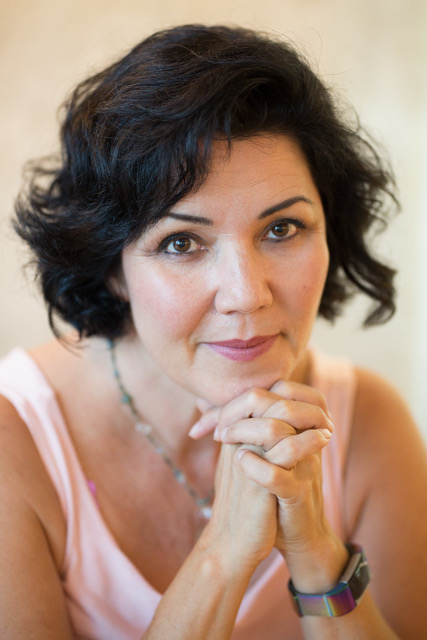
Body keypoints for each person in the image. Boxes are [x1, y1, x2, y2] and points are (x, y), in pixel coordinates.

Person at [0, 23, 425, 640]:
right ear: (112, 268)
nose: (247, 294)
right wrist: (223, 554)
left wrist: (316, 552)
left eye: (281, 229)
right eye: (182, 243)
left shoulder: (368, 425)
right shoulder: (16, 443)